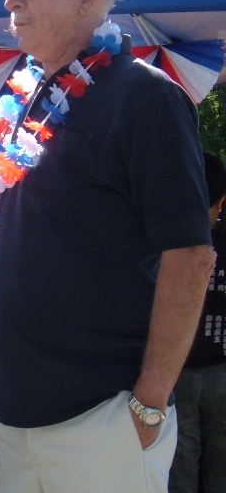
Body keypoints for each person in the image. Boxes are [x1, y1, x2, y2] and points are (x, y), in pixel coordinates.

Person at [0, 0, 216, 493]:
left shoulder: (146, 97)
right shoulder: (33, 93)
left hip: (102, 419)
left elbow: (190, 256)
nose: (10, 1)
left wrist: (149, 404)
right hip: (17, 418)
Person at [169, 152, 226, 493]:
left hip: (175, 373)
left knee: (180, 464)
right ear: (221, 201)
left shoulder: (166, 249)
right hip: (222, 370)